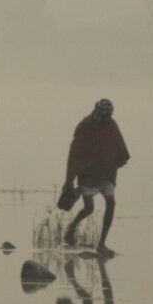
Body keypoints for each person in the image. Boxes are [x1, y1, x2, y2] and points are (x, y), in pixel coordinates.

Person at [59, 97, 129, 249]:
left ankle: (102, 243)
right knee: (89, 208)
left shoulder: (112, 125)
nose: (104, 120)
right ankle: (72, 227)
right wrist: (69, 180)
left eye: (107, 117)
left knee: (111, 204)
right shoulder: (84, 126)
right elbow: (75, 154)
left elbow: (117, 149)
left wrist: (113, 173)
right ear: (97, 113)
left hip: (107, 173)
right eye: (102, 116)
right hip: (88, 174)